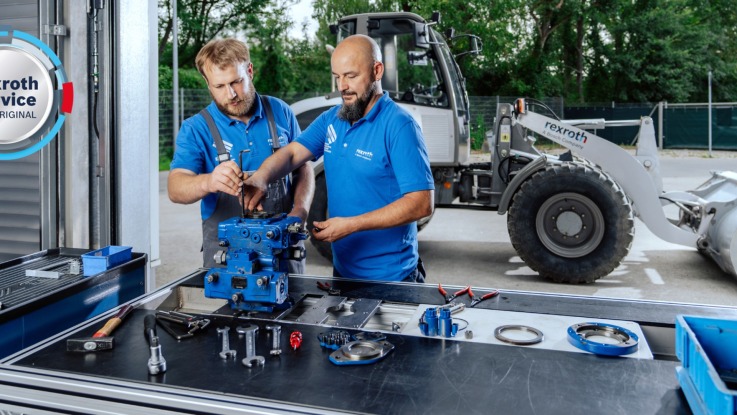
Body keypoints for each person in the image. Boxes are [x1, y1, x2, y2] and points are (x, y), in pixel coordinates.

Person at [242, 34, 434, 282]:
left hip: (392, 278)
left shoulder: (399, 125)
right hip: (343, 273)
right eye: (337, 77)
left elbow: (421, 203)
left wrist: (351, 225)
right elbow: (291, 154)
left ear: (377, 71)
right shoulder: (333, 119)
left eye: (351, 76)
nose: (342, 86)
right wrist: (260, 178)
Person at [168, 38, 314, 272]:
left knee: (295, 307)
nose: (231, 94)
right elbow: (176, 188)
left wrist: (301, 209)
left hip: (283, 249)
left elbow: (303, 168)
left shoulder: (280, 111)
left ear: (250, 70)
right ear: (207, 83)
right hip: (227, 258)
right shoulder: (195, 128)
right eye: (220, 86)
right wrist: (209, 181)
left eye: (237, 82)